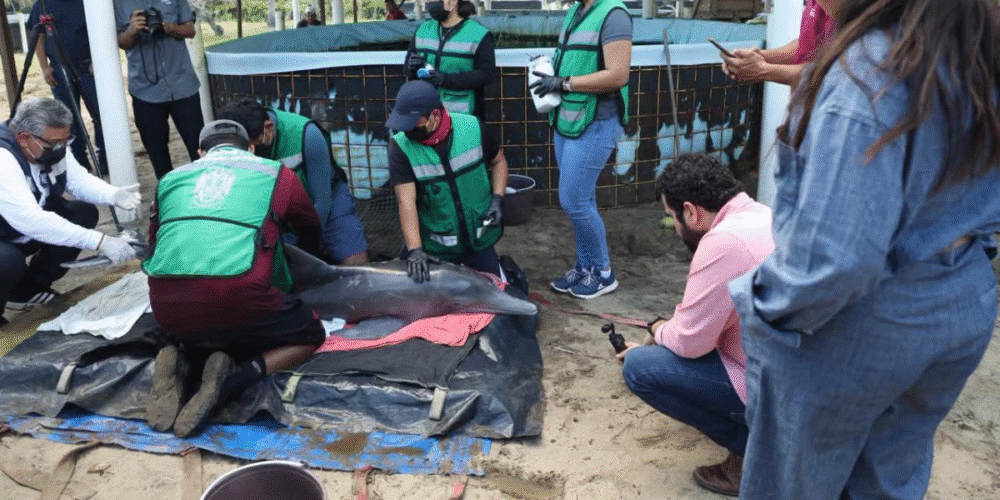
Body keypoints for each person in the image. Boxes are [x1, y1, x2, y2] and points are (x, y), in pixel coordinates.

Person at [728, 1, 1000, 498]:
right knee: (886, 479)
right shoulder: (969, 48)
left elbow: (835, 261)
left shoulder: (868, 71)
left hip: (862, 321)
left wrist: (759, 309)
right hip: (961, 300)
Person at [144, 120, 325, 438]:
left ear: (200, 152)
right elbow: (309, 226)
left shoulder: (170, 179)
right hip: (239, 296)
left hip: (166, 305)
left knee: (206, 320)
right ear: (251, 148)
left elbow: (153, 246)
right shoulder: (275, 173)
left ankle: (181, 360)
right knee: (309, 334)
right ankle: (234, 381)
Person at [616, 154, 773, 497]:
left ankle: (758, 454)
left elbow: (690, 342)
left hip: (772, 384)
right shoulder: (762, 214)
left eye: (672, 217)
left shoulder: (723, 242)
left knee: (640, 367)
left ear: (691, 211)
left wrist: (657, 329)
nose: (675, 228)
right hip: (795, 373)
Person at [0, 98, 140, 326]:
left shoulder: (49, 146)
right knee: (7, 261)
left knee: (82, 213)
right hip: (12, 231)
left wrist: (113, 195)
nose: (61, 149)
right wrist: (100, 241)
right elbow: (31, 221)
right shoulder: (3, 159)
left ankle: (26, 289)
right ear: (24, 138)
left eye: (65, 141)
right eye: (54, 144)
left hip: (16, 230)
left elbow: (78, 182)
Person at [529, 0, 631, 299]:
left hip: (596, 120)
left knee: (573, 201)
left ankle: (602, 272)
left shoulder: (614, 14)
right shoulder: (577, 11)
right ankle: (586, 266)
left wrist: (564, 82)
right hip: (569, 119)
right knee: (582, 200)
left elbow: (617, 75)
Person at [219, 99, 369, 265]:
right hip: (279, 213)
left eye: (256, 143)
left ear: (268, 127)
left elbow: (322, 199)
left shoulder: (306, 134)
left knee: (355, 262)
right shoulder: (234, 146)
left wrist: (308, 247)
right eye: (246, 146)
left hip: (326, 202)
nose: (251, 151)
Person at [385, 81, 507, 282]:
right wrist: (415, 250)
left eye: (413, 123)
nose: (407, 131)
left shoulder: (473, 128)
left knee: (500, 293)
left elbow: (499, 161)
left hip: (478, 238)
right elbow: (405, 202)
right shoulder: (400, 148)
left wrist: (497, 199)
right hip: (436, 248)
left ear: (435, 116)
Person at [115, 0, 204, 179]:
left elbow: (190, 30)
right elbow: (120, 42)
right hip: (145, 90)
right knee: (158, 154)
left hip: (183, 84)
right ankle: (167, 197)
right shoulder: (117, 3)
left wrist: (170, 28)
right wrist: (133, 29)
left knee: (199, 148)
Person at [27, 0, 107, 174]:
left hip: (87, 68)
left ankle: (105, 159)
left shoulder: (87, 3)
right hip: (59, 70)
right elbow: (39, 37)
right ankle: (79, 161)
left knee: (100, 114)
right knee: (67, 118)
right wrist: (44, 67)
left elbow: (99, 30)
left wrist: (96, 59)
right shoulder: (41, 5)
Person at [404, 0, 496, 119]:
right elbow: (406, 68)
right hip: (426, 117)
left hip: (461, 118)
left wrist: (444, 79)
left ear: (453, 2)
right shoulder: (422, 30)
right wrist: (411, 69)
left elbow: (487, 74)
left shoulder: (479, 34)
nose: (432, 4)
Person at [720, 0, 837, 86]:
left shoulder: (841, 6)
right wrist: (759, 57)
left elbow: (831, 72)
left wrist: (763, 70)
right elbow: (807, 44)